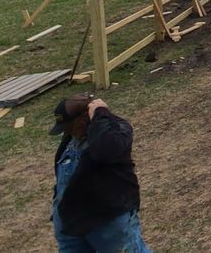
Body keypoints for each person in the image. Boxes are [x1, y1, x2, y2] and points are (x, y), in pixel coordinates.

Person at [50, 93, 149, 252]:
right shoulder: (72, 139)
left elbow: (106, 151)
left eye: (69, 127)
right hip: (71, 224)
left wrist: (100, 113)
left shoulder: (114, 131)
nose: (67, 132)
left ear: (84, 118)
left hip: (107, 223)